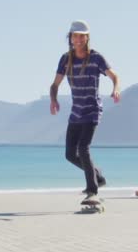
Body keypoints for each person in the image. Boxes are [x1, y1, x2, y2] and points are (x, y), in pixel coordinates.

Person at [49, 20, 121, 200]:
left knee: (83, 148)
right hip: (76, 112)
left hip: (92, 110)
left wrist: (116, 88)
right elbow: (55, 84)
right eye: (75, 36)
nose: (78, 39)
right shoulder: (65, 59)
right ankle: (98, 177)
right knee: (69, 154)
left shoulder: (96, 58)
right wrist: (53, 100)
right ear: (71, 38)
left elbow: (114, 76)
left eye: (82, 36)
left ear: (87, 38)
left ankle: (92, 191)